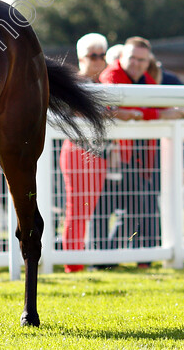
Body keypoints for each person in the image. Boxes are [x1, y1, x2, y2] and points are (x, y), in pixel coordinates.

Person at [94, 37, 184, 265]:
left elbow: (156, 106)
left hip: (135, 158)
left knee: (139, 208)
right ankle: (105, 258)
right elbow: (122, 112)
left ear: (149, 62)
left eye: (142, 60)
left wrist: (175, 110)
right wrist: (158, 114)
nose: (137, 64)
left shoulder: (145, 79)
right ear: (122, 57)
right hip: (112, 157)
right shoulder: (112, 75)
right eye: (133, 58)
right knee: (128, 208)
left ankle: (116, 259)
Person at [58, 33, 109, 272]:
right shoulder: (75, 83)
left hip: (97, 152)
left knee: (86, 209)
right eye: (93, 55)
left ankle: (76, 258)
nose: (98, 60)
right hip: (78, 150)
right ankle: (73, 262)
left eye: (102, 55)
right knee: (77, 208)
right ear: (81, 58)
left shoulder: (104, 84)